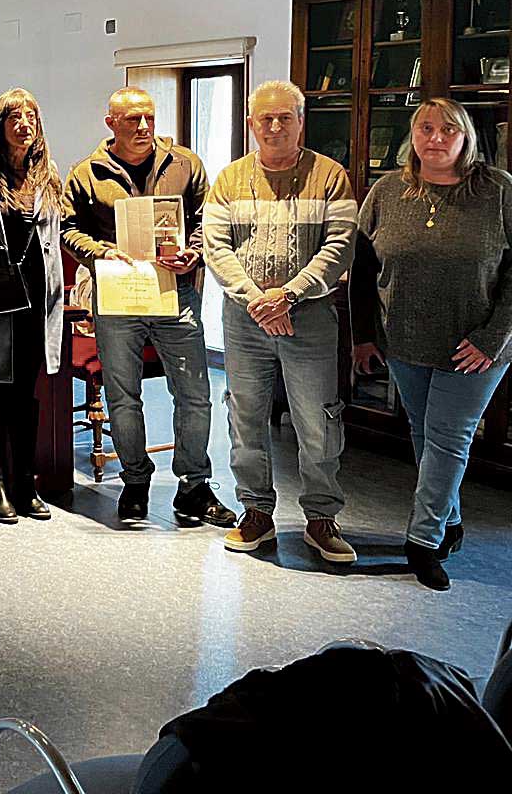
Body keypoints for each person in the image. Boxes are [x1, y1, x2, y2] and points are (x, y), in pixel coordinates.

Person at [350, 98, 512, 590]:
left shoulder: (498, 191)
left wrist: (492, 338)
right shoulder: (387, 191)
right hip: (405, 342)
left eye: (448, 129)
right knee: (425, 434)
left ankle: (422, 541)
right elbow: (363, 269)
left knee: (448, 438)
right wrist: (363, 337)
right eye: (425, 128)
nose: (436, 138)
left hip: (476, 349)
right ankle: (450, 519)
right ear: (412, 135)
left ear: (467, 137)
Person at [60, 87, 232, 529]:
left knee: (194, 395)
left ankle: (193, 486)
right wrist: (100, 253)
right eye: (132, 119)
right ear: (111, 123)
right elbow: (67, 229)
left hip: (176, 295)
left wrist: (194, 253)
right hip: (118, 298)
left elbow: (206, 221)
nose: (143, 127)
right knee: (123, 397)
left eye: (149, 118)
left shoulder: (185, 165)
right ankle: (135, 481)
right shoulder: (87, 173)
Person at [202, 80, 357, 562]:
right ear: (251, 124)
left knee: (318, 421)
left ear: (300, 122)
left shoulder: (330, 176)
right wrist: (258, 301)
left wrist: (288, 296)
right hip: (245, 320)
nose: (274, 126)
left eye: (284, 118)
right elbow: (215, 247)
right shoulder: (229, 179)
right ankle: (255, 512)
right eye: (265, 119)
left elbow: (340, 246)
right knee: (245, 417)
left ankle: (321, 518)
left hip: (309, 318)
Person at [0, 89, 64, 524]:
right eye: (14, 117)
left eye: (31, 117)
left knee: (24, 391)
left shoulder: (48, 174)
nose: (24, 124)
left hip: (38, 300)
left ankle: (26, 482)